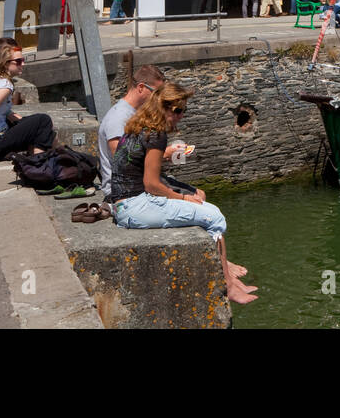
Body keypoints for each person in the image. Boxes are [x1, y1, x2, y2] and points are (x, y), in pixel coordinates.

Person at [108, 83, 256, 305]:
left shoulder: (137, 127)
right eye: (177, 111)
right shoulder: (156, 135)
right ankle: (228, 285)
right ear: (162, 108)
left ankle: (228, 278)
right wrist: (184, 198)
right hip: (135, 207)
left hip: (123, 204)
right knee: (214, 216)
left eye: (183, 111)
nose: (181, 116)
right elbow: (151, 184)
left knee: (207, 210)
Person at [98, 64, 168, 198]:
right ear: (141, 87)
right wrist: (163, 154)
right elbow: (123, 162)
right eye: (156, 93)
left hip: (135, 186)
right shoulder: (119, 118)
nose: (158, 98)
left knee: (196, 196)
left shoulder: (133, 113)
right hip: (123, 192)